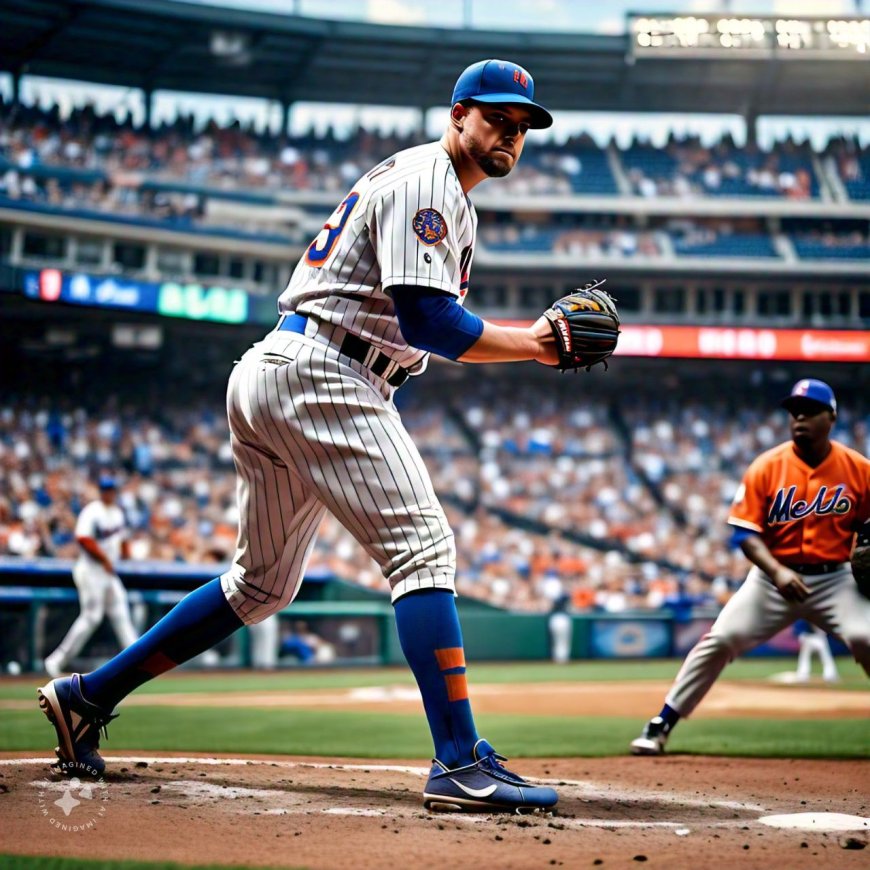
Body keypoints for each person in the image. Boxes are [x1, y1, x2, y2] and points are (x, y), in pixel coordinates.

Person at [38, 59, 567, 812]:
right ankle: (456, 760)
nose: (509, 134)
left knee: (260, 585)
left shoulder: (439, 187)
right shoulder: (430, 183)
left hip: (287, 366)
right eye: (495, 118)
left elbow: (414, 325)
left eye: (520, 127)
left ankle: (88, 695)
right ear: (456, 115)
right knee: (423, 549)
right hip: (324, 368)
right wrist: (535, 343)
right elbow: (428, 322)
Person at [630, 379, 870, 755]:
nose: (799, 418)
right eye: (794, 412)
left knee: (866, 636)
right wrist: (777, 572)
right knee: (721, 639)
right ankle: (661, 723)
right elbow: (744, 534)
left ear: (832, 416)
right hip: (771, 579)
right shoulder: (767, 466)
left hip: (834, 579)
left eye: (809, 411)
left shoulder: (858, 469)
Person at [43, 476, 137, 679]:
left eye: (111, 489)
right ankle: (56, 660)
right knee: (92, 616)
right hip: (90, 570)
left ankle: (138, 659)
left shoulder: (117, 513)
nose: (109, 493)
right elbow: (83, 539)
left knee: (121, 613)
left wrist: (126, 553)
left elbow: (122, 540)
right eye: (105, 489)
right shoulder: (93, 511)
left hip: (107, 572)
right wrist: (104, 559)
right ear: (101, 491)